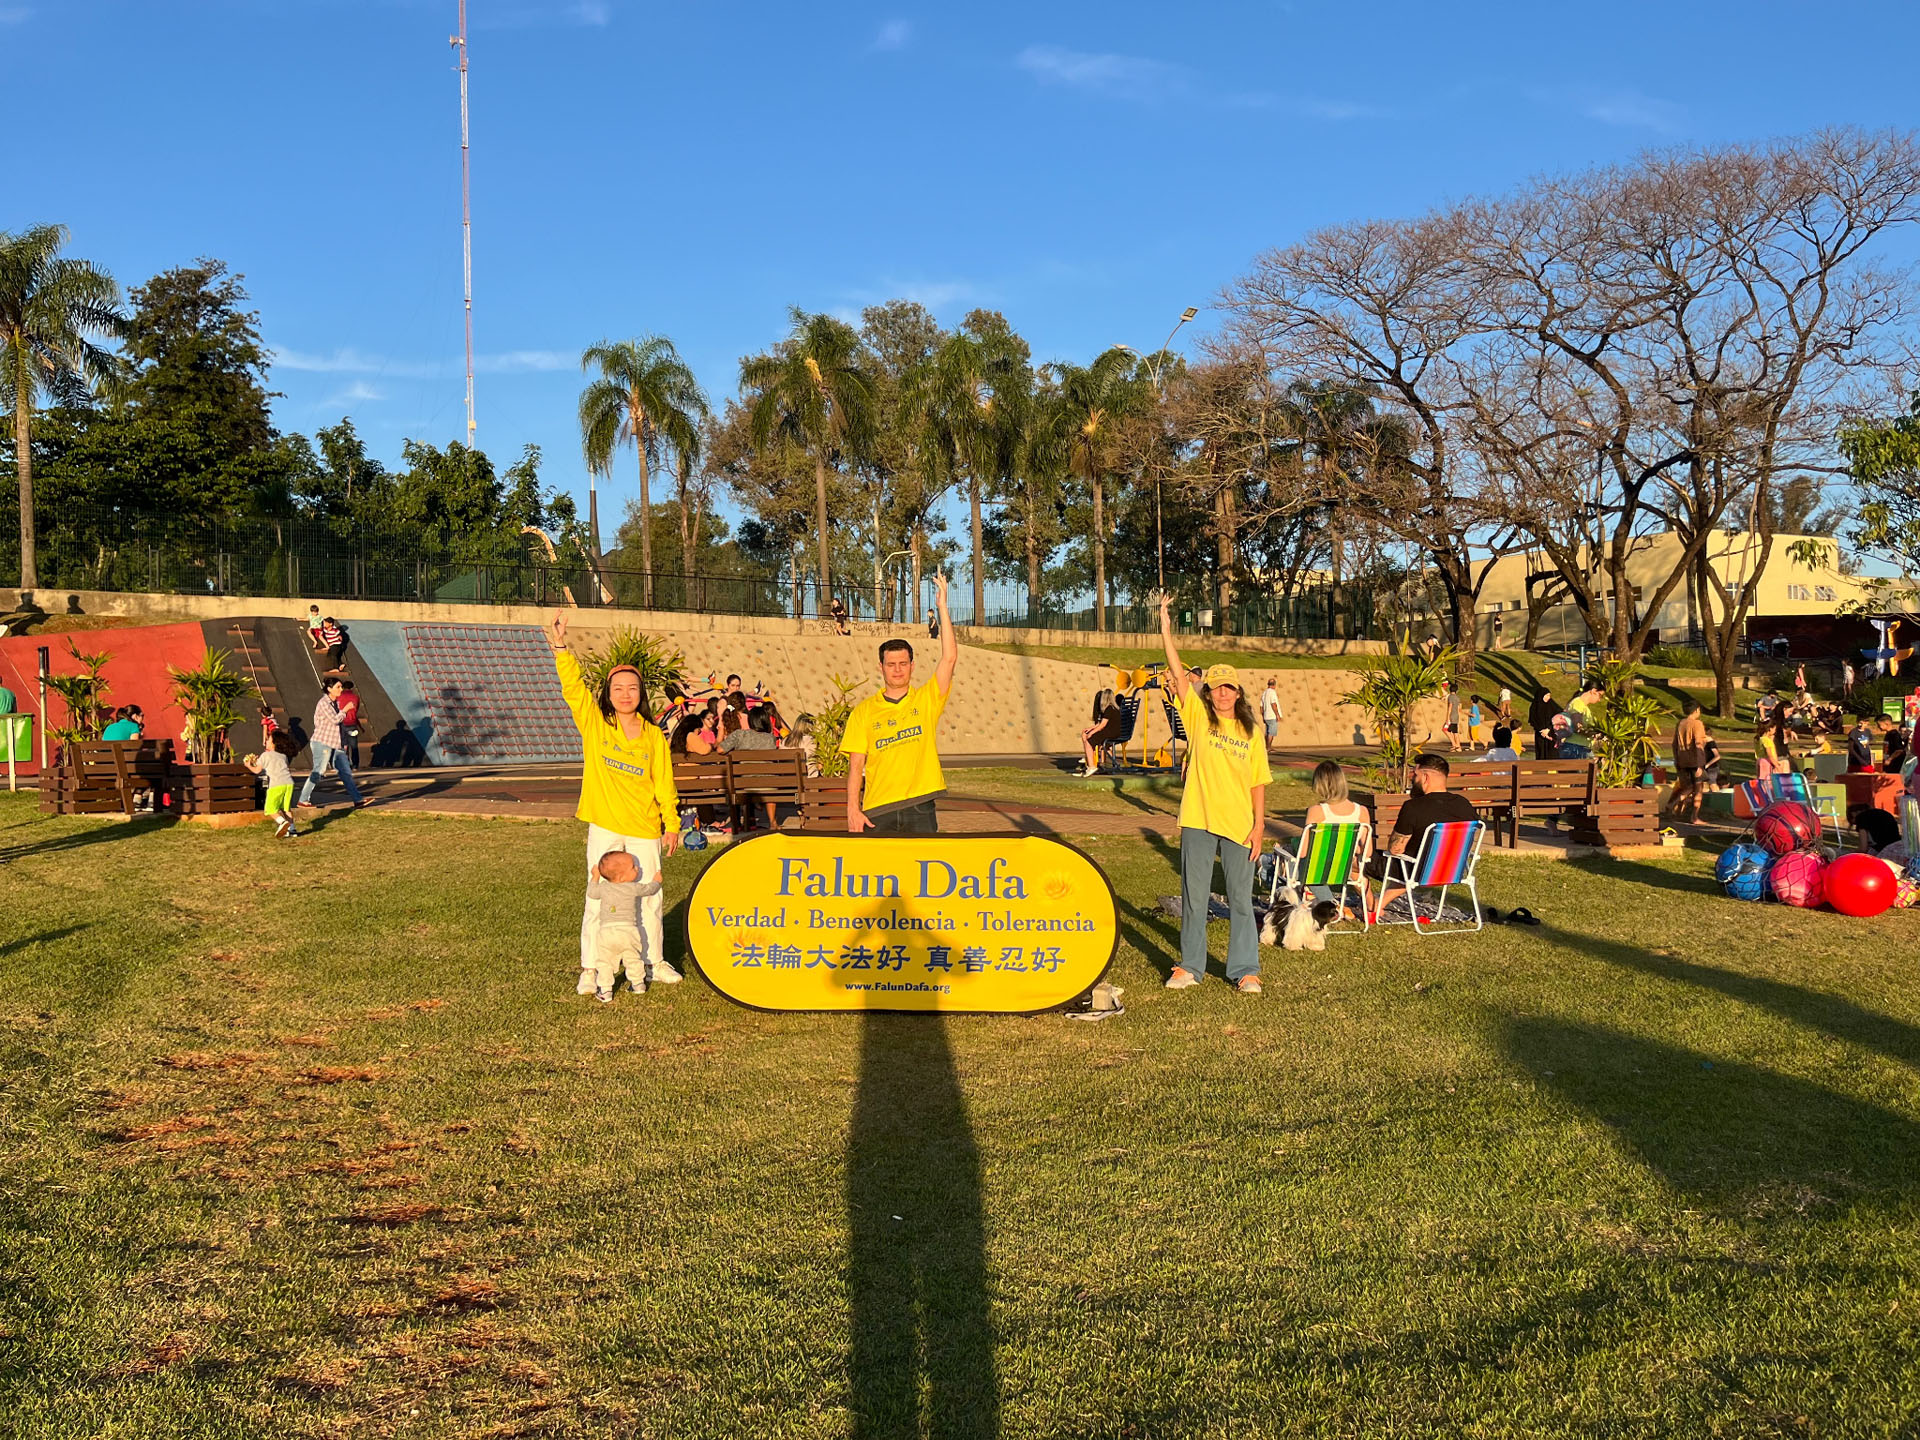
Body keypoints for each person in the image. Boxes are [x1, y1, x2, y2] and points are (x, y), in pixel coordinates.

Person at [549, 611, 682, 988]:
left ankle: (654, 962)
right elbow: (574, 690)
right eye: (618, 688)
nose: (625, 694)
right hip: (605, 825)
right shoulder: (596, 725)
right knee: (598, 897)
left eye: (632, 688)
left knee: (650, 898)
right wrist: (561, 647)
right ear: (608, 694)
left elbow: (664, 784)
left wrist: (671, 823)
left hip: (643, 827)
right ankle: (591, 969)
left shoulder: (653, 736)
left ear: (641, 694)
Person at [1155, 593, 1271, 996]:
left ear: (1238, 693)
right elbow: (1177, 672)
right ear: (1208, 693)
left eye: (1228, 688)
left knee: (1240, 898)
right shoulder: (1198, 718)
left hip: (1239, 825)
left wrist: (1259, 826)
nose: (1222, 693)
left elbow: (1258, 782)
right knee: (1194, 896)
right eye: (1216, 688)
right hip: (1198, 820)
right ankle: (1190, 966)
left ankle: (1246, 970)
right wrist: (1166, 629)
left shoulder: (1252, 733)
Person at [842, 573, 958, 834]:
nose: (897, 670)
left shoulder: (927, 699)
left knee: (924, 861)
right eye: (891, 664)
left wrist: (942, 607)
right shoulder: (863, 711)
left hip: (919, 806)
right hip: (877, 809)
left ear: (912, 666)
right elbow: (856, 765)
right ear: (881, 667)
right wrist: (852, 809)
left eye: (903, 664)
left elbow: (949, 658)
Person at [1371, 754, 1477, 915]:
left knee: (1357, 860)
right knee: (1410, 863)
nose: (1412, 779)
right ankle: (1379, 904)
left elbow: (1395, 849)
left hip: (1418, 870)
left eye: (1415, 774)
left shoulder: (1413, 807)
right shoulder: (1464, 804)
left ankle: (1369, 904)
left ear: (1425, 777)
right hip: (1452, 869)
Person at [581, 848, 663, 1002]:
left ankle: (605, 990)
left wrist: (595, 876)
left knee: (605, 962)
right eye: (633, 867)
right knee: (633, 958)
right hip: (628, 931)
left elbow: (592, 892)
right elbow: (649, 890)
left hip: (607, 933)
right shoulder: (633, 887)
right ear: (622, 876)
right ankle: (638, 984)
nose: (637, 868)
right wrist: (656, 881)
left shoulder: (604, 887)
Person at [1300, 760, 1369, 915]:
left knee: (1276, 864)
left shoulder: (1317, 811)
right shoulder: (1362, 811)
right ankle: (1331, 904)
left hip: (1317, 869)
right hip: (1344, 868)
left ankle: (1332, 906)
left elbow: (1303, 852)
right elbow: (1367, 852)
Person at [298, 677, 367, 809]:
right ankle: (303, 800)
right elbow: (335, 720)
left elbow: (340, 725)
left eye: (341, 687)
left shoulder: (336, 703)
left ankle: (358, 800)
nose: (341, 689)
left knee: (345, 771)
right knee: (319, 770)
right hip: (322, 742)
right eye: (338, 687)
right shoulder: (324, 703)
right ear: (329, 689)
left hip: (336, 743)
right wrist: (345, 710)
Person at [723, 707, 780, 832]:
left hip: (745, 784)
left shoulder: (739, 735)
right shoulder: (770, 738)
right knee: (770, 780)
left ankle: (741, 823)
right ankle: (772, 821)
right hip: (769, 785)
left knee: (740, 780)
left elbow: (720, 749)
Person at [244, 732, 301, 839]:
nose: (266, 741)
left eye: (268, 739)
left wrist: (249, 765)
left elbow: (257, 770)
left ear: (274, 743)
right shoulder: (283, 756)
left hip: (276, 784)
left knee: (270, 809)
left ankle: (282, 822)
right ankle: (292, 830)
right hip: (289, 783)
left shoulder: (265, 755)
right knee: (286, 808)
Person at [1665, 700, 1708, 823]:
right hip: (1695, 761)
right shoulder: (1697, 724)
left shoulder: (1681, 723)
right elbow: (1698, 743)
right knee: (1698, 788)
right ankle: (1694, 817)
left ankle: (1672, 804)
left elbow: (1674, 744)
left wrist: (1677, 760)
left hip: (1682, 760)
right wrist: (1700, 764)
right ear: (1696, 710)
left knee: (1689, 787)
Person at [1076, 688, 1127, 777]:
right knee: (1088, 736)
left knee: (1089, 741)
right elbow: (1100, 724)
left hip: (1110, 732)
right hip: (1114, 731)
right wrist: (1089, 729)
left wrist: (1092, 732)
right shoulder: (1114, 708)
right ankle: (1089, 763)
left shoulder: (1109, 709)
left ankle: (1091, 766)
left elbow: (1102, 725)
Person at [335, 679, 362, 764]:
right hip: (352, 722)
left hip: (341, 722)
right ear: (352, 688)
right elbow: (356, 709)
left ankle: (344, 763)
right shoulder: (355, 697)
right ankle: (355, 764)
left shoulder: (338, 697)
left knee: (343, 744)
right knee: (354, 745)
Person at [1529, 687, 1560, 761]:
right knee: (1541, 755)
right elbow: (1532, 721)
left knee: (1552, 755)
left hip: (1551, 734)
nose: (1548, 697)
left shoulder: (1552, 706)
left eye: (1549, 695)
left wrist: (1548, 729)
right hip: (1540, 735)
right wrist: (1541, 730)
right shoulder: (1535, 707)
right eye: (1546, 695)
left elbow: (1558, 718)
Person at [1260, 678, 1284, 753]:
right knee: (1271, 733)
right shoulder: (1272, 692)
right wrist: (1277, 714)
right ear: (1274, 685)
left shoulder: (1264, 693)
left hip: (1266, 716)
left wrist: (1263, 716)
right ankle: (1268, 748)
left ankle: (1266, 747)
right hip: (1272, 715)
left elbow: (1261, 706)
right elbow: (1273, 704)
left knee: (1267, 732)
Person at [1443, 681, 1461, 752]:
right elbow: (1459, 708)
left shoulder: (1450, 697)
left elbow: (1450, 707)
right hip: (1456, 716)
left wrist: (1447, 718)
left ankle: (1454, 745)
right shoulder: (1457, 698)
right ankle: (1458, 747)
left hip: (1451, 716)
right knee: (1455, 732)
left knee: (1445, 730)